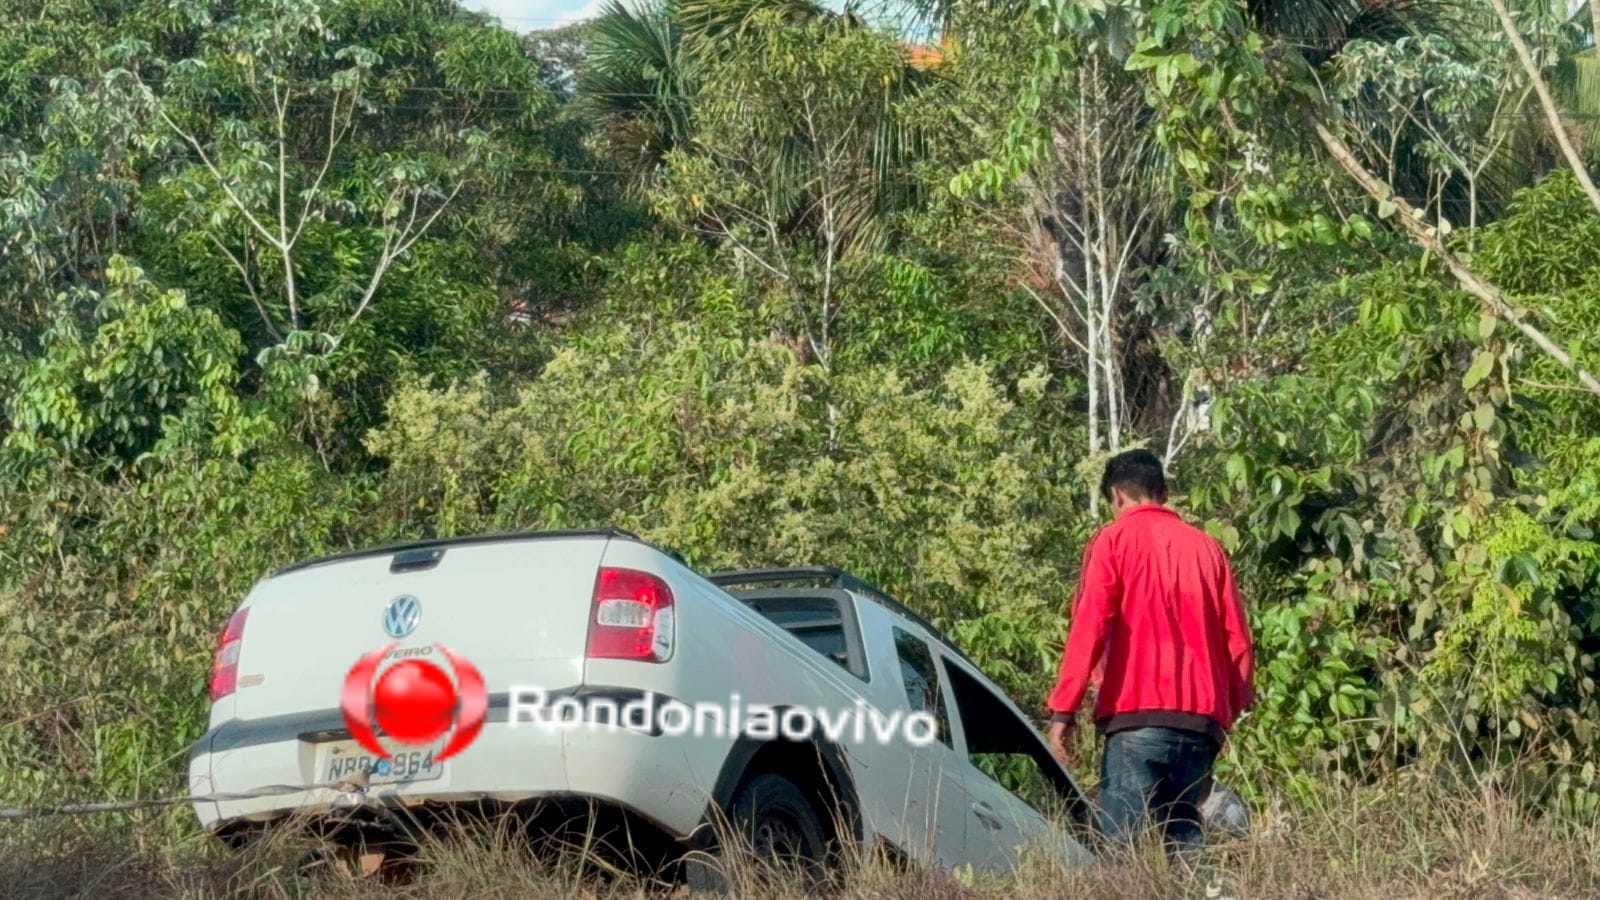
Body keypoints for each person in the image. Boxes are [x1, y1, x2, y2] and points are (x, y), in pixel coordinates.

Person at [1045, 449, 1255, 852]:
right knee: (1184, 844)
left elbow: (1088, 628)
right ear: (1163, 491)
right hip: (1200, 723)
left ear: (1117, 495)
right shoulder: (1207, 548)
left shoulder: (1112, 541)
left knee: (1120, 850)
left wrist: (1063, 710)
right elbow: (1238, 640)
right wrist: (1231, 708)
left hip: (1136, 716)